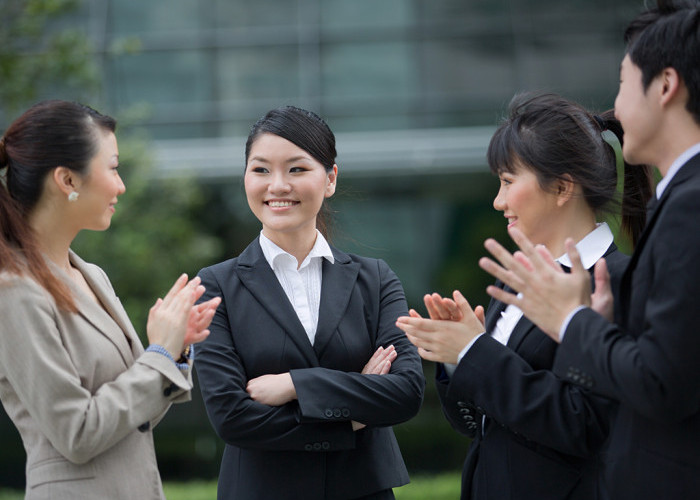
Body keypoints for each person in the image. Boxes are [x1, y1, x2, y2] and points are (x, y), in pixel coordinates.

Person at [478, 1, 700, 499]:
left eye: (623, 83)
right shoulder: (679, 200)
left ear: (665, 86)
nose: (616, 109)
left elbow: (658, 387)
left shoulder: (688, 205)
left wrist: (575, 323)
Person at [396, 92, 652, 499]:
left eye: (508, 182)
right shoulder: (519, 281)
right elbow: (481, 424)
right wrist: (457, 357)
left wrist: (475, 352)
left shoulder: (619, 282)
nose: (498, 201)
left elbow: (585, 423)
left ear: (563, 187)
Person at [194, 105, 425, 500]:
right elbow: (232, 417)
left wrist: (294, 384)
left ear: (330, 178)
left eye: (297, 169)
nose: (277, 185)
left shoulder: (375, 280)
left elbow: (405, 393)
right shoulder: (215, 286)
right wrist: (351, 416)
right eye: (261, 169)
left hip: (363, 492)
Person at [0, 100, 220, 500]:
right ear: (67, 180)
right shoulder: (14, 292)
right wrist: (157, 354)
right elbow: (77, 433)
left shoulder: (91, 275)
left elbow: (134, 417)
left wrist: (174, 348)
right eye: (113, 167)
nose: (121, 185)